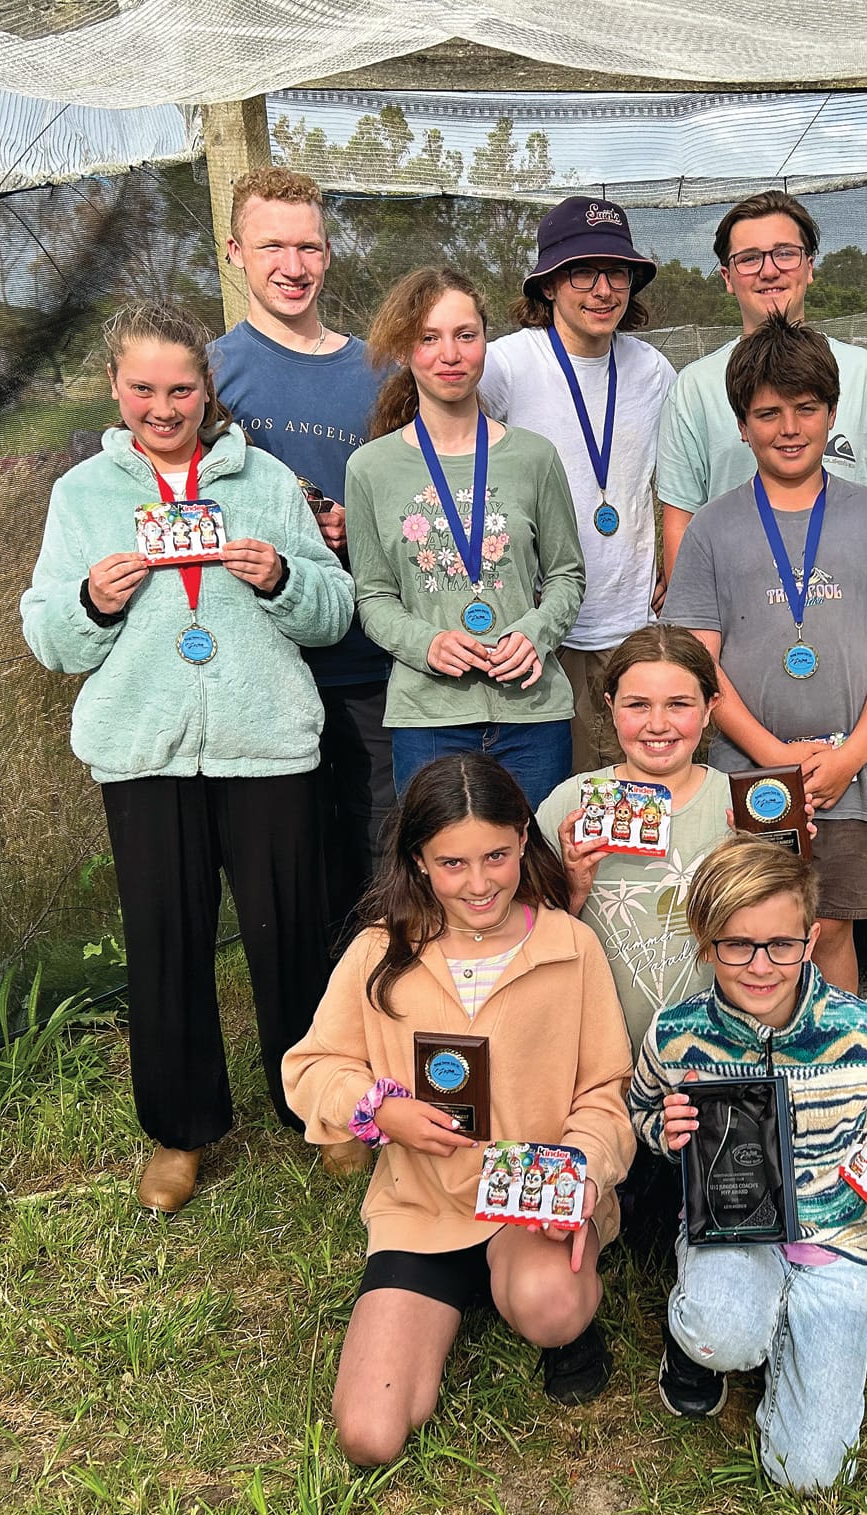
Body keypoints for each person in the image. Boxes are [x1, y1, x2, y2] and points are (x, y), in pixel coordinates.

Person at [20, 302, 353, 1213]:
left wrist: (284, 577)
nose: (163, 408)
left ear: (209, 390)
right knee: (166, 940)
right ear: (115, 389)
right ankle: (180, 1130)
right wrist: (90, 599)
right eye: (143, 389)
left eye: (180, 389)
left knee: (292, 930)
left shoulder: (266, 479)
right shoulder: (83, 495)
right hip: (145, 746)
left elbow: (332, 610)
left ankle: (317, 1107)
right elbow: (50, 637)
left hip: (267, 740)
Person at [282, 753, 636, 1463]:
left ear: (522, 840)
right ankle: (459, 1289)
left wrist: (577, 1171)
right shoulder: (379, 951)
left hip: (528, 1199)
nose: (479, 883)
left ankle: (545, 1297)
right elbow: (311, 1068)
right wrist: (378, 1111)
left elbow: (605, 1094)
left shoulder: (570, 947)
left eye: (497, 856)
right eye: (452, 865)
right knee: (369, 1436)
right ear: (417, 861)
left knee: (552, 1307)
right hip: (423, 1209)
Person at [656, 188, 867, 1028]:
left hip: (851, 779)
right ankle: (751, 1075)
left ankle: (847, 1079)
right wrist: (770, 753)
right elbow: (696, 656)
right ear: (741, 426)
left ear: (832, 413)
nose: (789, 429)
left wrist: (852, 752)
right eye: (767, 414)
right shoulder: (712, 527)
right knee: (747, 931)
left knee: (828, 931)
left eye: (807, 411)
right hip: (748, 777)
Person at [628, 836, 867, 1493]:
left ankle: (793, 1333)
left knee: (807, 1474)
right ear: (704, 940)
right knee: (719, 1334)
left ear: (810, 938)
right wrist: (662, 1130)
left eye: (780, 943)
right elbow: (638, 1108)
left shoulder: (863, 1030)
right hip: (731, 1226)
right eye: (735, 944)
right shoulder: (673, 1034)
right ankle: (716, 1337)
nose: (759, 965)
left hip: (836, 1241)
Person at [209, 169, 395, 973]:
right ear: (234, 254)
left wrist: (366, 526)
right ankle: (314, 1063)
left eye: (308, 245)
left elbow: (425, 503)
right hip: (262, 669)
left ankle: (390, 1037)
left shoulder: (379, 372)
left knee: (383, 862)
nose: (293, 264)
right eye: (272, 245)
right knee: (290, 881)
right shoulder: (210, 375)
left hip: (369, 663)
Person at [344, 267, 586, 809]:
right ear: (405, 349)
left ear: (484, 342)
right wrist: (425, 644)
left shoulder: (534, 457)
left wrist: (536, 633)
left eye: (465, 335)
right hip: (429, 720)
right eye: (429, 338)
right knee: (444, 882)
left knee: (535, 874)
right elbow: (374, 597)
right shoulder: (370, 469)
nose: (449, 354)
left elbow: (568, 575)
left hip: (533, 714)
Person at [534, 625, 734, 1256]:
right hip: (603, 1071)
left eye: (678, 704)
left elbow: (775, 937)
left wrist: (779, 849)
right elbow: (524, 945)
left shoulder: (742, 804)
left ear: (709, 710)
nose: (658, 724)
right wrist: (570, 881)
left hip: (710, 1069)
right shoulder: (571, 803)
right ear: (610, 706)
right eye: (637, 704)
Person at [479, 197, 677, 774]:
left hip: (632, 621)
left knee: (630, 789)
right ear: (548, 285)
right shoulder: (504, 366)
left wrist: (677, 560)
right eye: (582, 273)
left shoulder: (652, 370)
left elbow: (675, 482)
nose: (603, 289)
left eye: (617, 273)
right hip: (538, 624)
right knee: (546, 798)